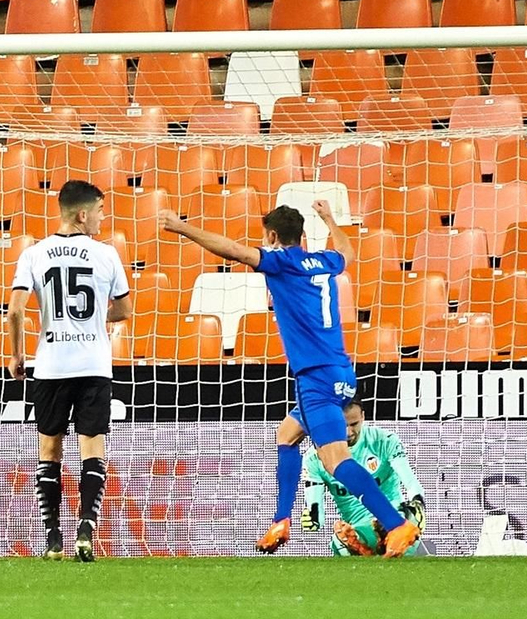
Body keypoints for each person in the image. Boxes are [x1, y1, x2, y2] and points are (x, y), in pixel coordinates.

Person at [158, 200, 421, 558]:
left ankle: (396, 525)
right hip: (340, 371)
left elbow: (233, 250)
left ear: (271, 236)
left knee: (336, 462)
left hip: (316, 376)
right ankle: (281, 520)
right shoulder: (325, 261)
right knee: (287, 434)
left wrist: (182, 227)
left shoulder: (282, 262)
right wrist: (330, 218)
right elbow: (347, 251)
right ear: (304, 236)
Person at [6, 179, 132, 563]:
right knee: (92, 447)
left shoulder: (34, 254)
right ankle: (86, 529)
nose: (102, 218)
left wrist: (16, 356)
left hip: (51, 365)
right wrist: (96, 317)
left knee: (50, 449)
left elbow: (14, 311)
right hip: (93, 364)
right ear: (82, 214)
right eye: (99, 211)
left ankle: (52, 538)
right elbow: (125, 311)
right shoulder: (107, 255)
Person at [302, 401, 426, 557]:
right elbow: (316, 515)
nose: (348, 432)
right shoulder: (314, 458)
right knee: (339, 541)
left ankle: (389, 537)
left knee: (408, 516)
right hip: (359, 528)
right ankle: (360, 545)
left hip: (395, 518)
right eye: (342, 425)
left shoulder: (385, 441)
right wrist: (311, 521)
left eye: (354, 424)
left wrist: (419, 504)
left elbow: (411, 483)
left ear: (363, 416)